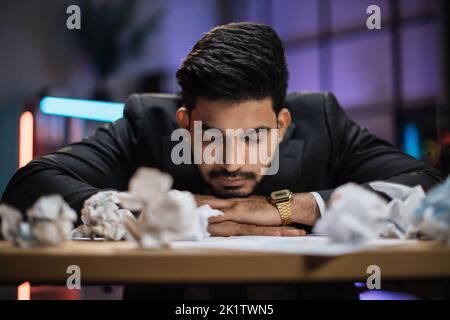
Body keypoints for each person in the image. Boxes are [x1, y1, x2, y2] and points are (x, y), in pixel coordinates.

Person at [2, 22, 444, 238]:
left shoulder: (322, 119)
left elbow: (431, 185)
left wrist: (297, 208)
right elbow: (28, 186)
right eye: (211, 137)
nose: (232, 160)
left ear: (281, 124)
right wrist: (172, 209)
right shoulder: (146, 121)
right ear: (186, 124)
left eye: (253, 138)